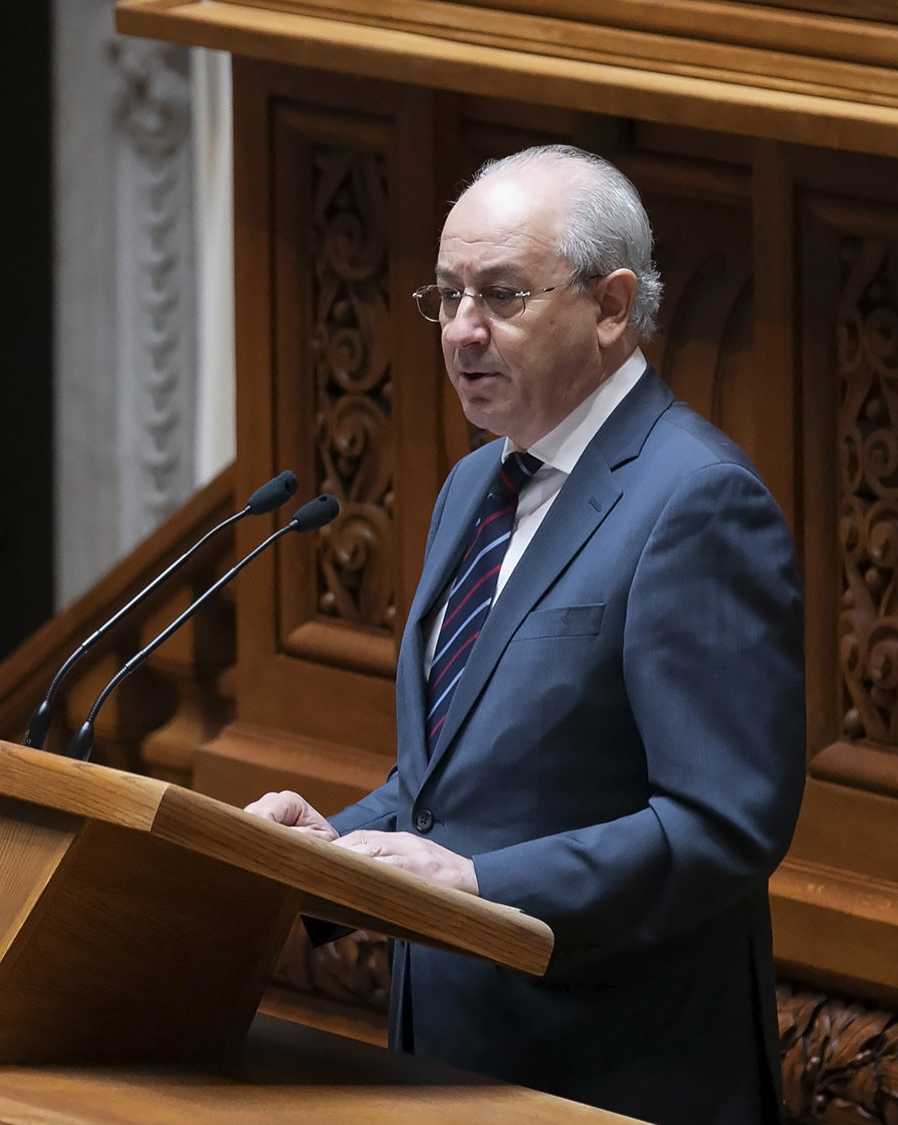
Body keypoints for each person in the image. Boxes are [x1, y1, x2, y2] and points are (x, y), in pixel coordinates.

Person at [246, 144, 803, 1125]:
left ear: (609, 306)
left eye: (500, 296)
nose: (461, 332)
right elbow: (452, 782)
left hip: (608, 1072)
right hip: (449, 1061)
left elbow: (722, 825)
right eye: (446, 296)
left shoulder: (697, 503)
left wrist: (477, 883)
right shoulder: (476, 485)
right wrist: (334, 850)